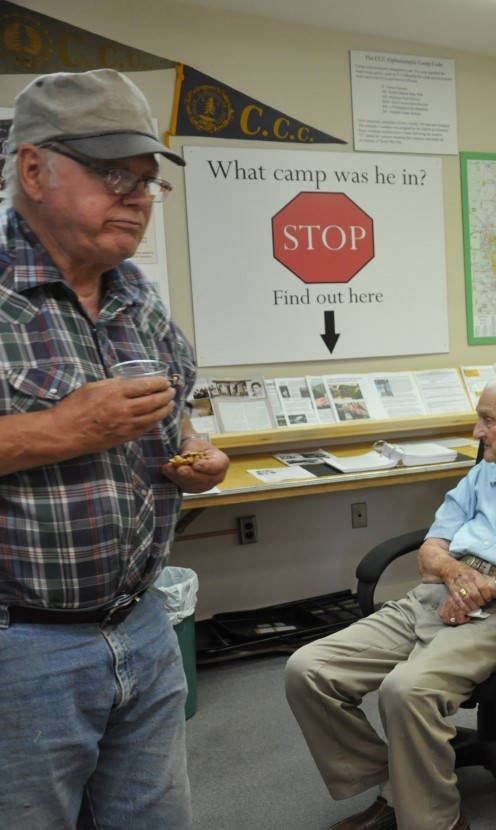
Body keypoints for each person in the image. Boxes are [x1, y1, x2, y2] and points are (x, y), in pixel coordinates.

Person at [0, 69, 229, 828]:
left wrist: (193, 454)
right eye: (112, 175)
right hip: (20, 646)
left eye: (146, 180)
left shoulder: (138, 297)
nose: (136, 197)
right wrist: (61, 430)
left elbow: (177, 418)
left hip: (143, 624)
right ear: (34, 170)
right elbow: (80, 429)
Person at [285, 372, 496, 830]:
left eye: (487, 420)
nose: (477, 433)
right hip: (437, 591)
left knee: (406, 691)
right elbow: (431, 549)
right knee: (308, 670)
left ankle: (436, 820)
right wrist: (455, 574)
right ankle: (398, 787)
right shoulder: (482, 473)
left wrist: (490, 587)